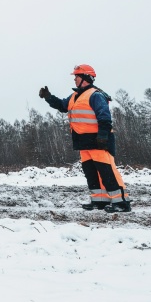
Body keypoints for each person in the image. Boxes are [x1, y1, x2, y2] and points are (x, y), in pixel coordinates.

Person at [40, 64, 131, 213]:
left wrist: (102, 135)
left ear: (85, 78)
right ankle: (99, 200)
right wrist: (49, 97)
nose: (74, 79)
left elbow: (104, 117)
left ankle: (121, 202)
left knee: (107, 171)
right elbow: (63, 106)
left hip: (98, 140)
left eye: (76, 76)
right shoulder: (75, 96)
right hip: (83, 141)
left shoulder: (96, 95)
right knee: (91, 172)